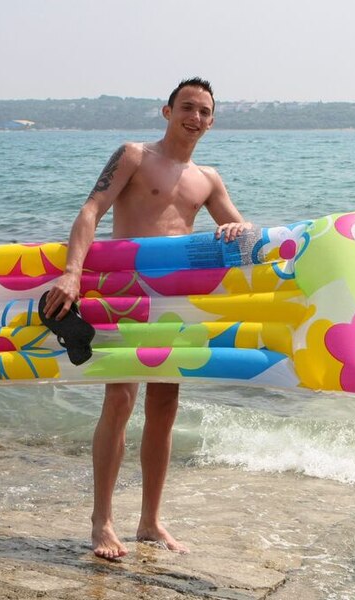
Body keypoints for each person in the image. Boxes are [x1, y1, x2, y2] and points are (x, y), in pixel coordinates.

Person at [42, 77, 251, 560]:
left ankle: (150, 522)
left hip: (175, 299)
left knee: (164, 406)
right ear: (167, 111)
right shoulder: (134, 155)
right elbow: (92, 210)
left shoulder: (208, 179)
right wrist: (72, 273)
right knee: (119, 400)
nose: (195, 117)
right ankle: (102, 521)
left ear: (212, 122)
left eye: (204, 111)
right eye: (187, 107)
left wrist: (239, 229)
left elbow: (239, 231)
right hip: (126, 290)